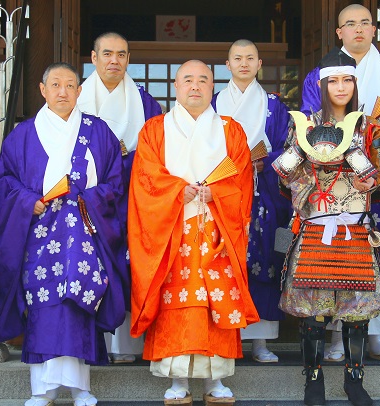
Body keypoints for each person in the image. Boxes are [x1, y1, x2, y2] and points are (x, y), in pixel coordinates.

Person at [0, 62, 125, 406]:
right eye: (55, 84)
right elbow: (3, 184)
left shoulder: (98, 132)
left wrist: (87, 197)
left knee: (79, 299)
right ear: (42, 89)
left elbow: (116, 184)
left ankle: (81, 388)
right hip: (39, 234)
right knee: (44, 303)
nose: (63, 91)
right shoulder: (22, 135)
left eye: (70, 85)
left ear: (80, 91)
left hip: (84, 230)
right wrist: (27, 202)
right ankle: (42, 390)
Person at [128, 60, 259, 405]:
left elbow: (241, 180)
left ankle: (215, 381)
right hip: (173, 233)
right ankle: (177, 380)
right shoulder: (155, 129)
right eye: (188, 80)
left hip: (216, 230)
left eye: (203, 80)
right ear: (176, 85)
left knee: (216, 302)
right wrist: (176, 191)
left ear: (212, 85)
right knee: (177, 303)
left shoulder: (231, 131)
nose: (196, 86)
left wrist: (218, 193)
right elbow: (145, 178)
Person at [301, 4, 380, 363]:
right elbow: (310, 121)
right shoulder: (319, 75)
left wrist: (374, 134)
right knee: (338, 252)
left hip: (379, 175)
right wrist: (342, 142)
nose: (359, 29)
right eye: (350, 24)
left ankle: (379, 335)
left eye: (365, 23)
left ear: (374, 30)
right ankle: (338, 336)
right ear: (339, 33)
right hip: (335, 179)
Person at [274, 52, 380, 406]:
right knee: (315, 312)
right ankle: (314, 380)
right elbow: (283, 176)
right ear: (322, 86)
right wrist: (307, 157)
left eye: (347, 80)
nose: (341, 87)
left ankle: (354, 380)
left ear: (355, 84)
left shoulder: (372, 126)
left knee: (356, 311)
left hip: (355, 226)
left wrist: (356, 160)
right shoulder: (304, 125)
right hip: (315, 222)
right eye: (334, 81)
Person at [77, 31, 163, 365]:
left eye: (122, 55)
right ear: (94, 57)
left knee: (129, 263)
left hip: (132, 195)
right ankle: (89, 341)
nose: (115, 61)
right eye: (108, 54)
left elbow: (158, 150)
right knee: (90, 261)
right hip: (88, 197)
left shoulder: (145, 102)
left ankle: (127, 346)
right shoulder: (76, 95)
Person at [211, 39, 292, 363]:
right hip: (225, 194)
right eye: (237, 58)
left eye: (250, 58)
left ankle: (261, 341)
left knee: (267, 261)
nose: (243, 63)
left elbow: (290, 151)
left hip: (266, 195)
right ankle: (225, 335)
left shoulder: (275, 105)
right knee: (226, 262)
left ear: (259, 65)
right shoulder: (214, 102)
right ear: (227, 65)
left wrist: (265, 161)